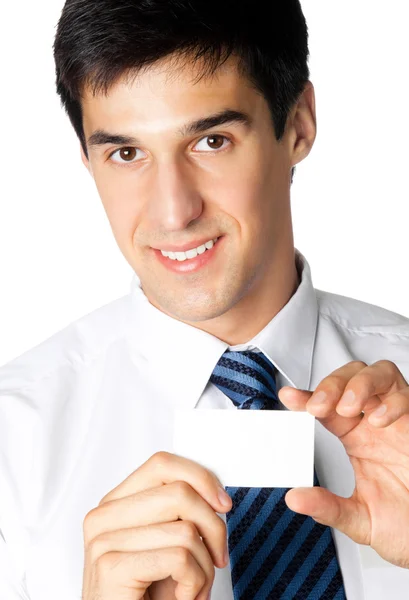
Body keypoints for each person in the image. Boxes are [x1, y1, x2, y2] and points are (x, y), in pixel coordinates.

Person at [0, 0, 408, 598]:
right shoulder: (13, 441)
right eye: (127, 153)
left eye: (211, 141)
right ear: (86, 159)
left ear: (297, 124)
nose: (173, 211)